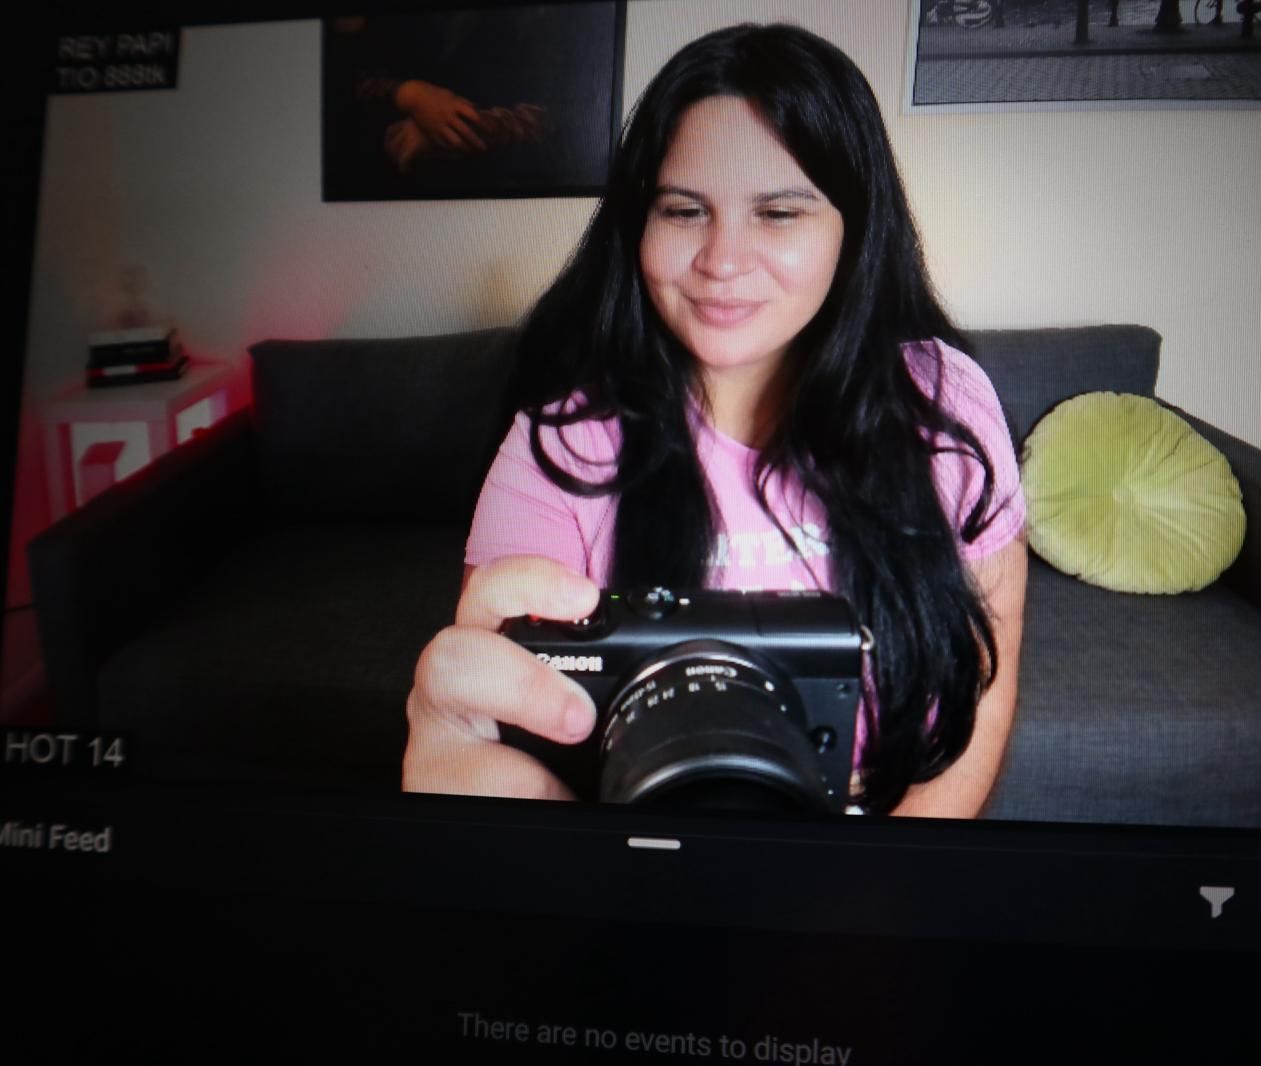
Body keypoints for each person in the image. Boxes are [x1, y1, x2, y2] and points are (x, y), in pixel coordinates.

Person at [403, 23, 1027, 818]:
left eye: (779, 213)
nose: (722, 261)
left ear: (854, 228)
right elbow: (519, 749)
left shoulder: (943, 402)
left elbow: (982, 687)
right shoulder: (559, 445)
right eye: (684, 210)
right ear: (640, 225)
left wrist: (882, 881)